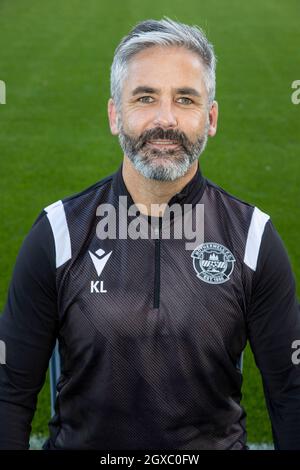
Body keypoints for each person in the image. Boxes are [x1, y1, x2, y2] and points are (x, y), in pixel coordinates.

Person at [0, 17, 299, 451]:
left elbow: (292, 392)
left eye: (185, 99)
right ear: (114, 114)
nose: (165, 119)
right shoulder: (59, 234)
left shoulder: (253, 239)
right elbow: (9, 391)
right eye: (145, 98)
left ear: (210, 118)